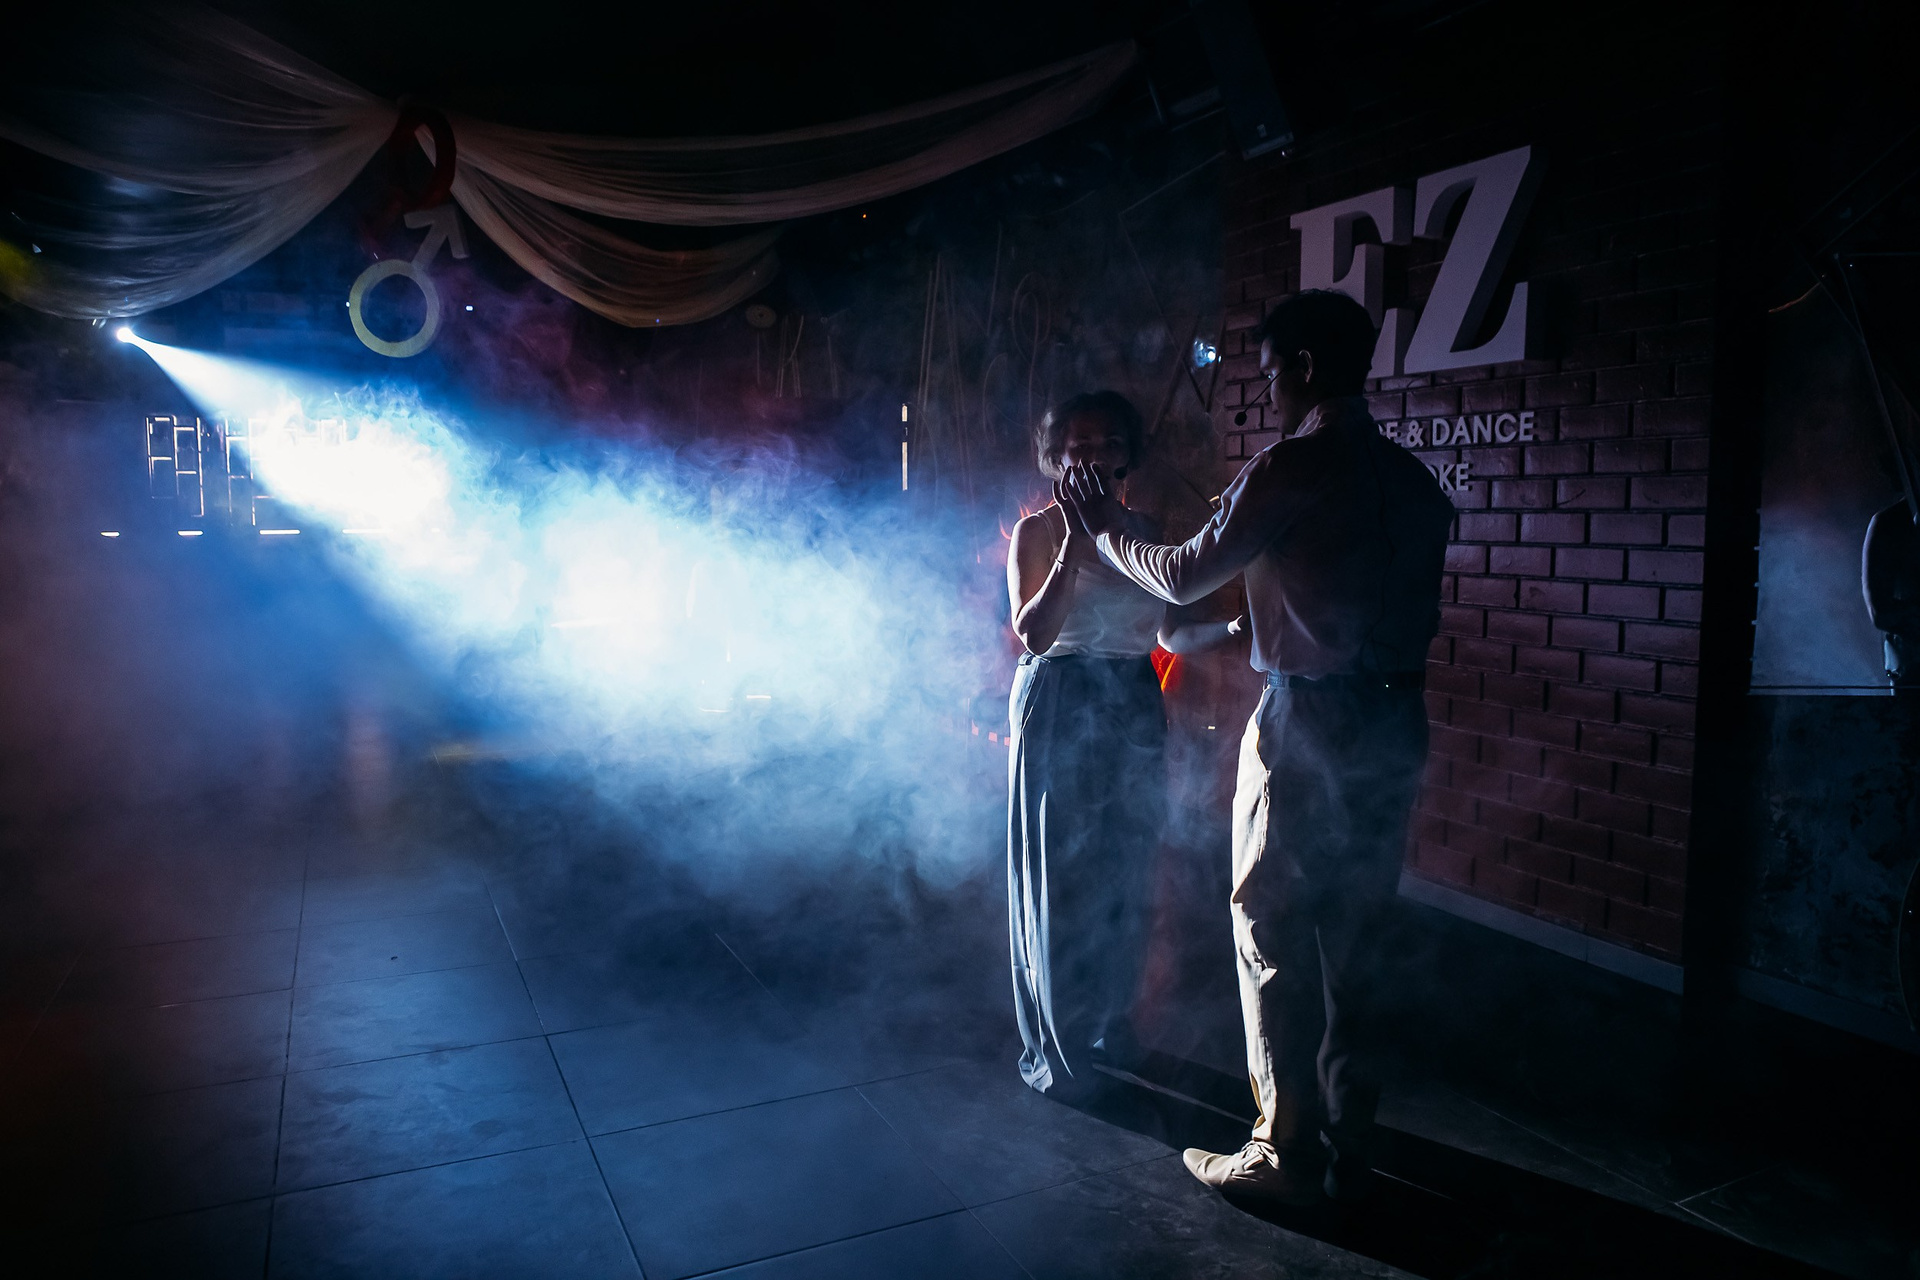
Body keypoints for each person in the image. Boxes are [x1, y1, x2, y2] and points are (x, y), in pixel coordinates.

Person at [1060, 290, 1455, 1204]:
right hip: (1397, 719)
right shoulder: (1412, 480)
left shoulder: (1291, 466)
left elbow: (1181, 573)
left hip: (1310, 719)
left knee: (1270, 926)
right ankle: (1351, 1143)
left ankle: (1282, 1152)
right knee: (1359, 937)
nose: (1267, 390)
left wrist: (1104, 528)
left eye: (1272, 372)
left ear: (1306, 368)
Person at [1006, 390, 1239, 1099]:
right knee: (1059, 872)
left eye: (1108, 444)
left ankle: (1115, 1021)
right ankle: (1060, 1046)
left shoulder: (1145, 531)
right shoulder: (1037, 532)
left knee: (1128, 863)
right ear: (1055, 459)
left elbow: (1168, 634)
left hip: (1132, 695)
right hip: (1060, 692)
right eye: (1078, 446)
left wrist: (1237, 632)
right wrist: (1076, 544)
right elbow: (1035, 634)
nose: (1094, 458)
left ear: (1127, 455)